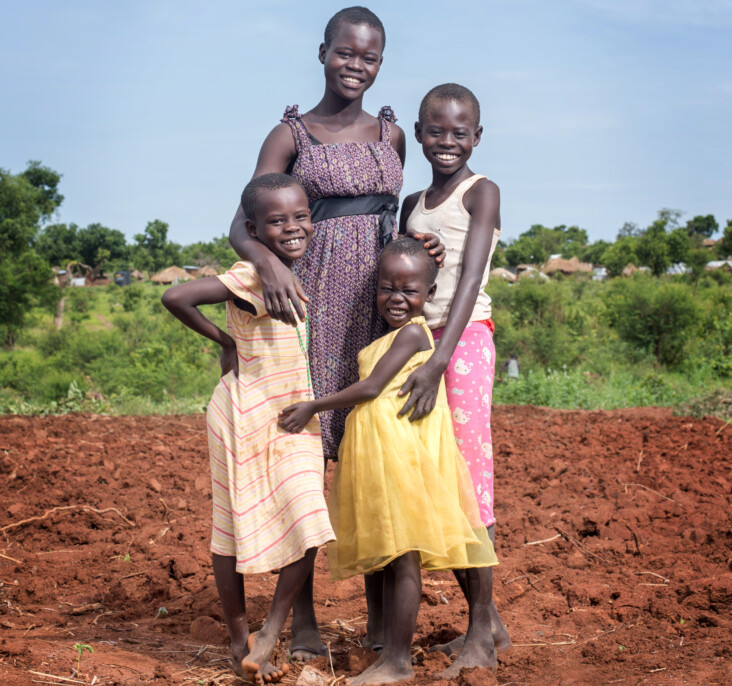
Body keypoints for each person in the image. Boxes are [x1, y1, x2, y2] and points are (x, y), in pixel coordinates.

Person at [227, 6, 442, 662]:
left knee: (372, 451)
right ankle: (306, 620)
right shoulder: (292, 134)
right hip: (312, 302)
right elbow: (242, 222)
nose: (357, 65)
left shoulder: (391, 133)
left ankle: (382, 622)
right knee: (306, 462)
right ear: (322, 53)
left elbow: (392, 212)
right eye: (345, 53)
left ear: (381, 64)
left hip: (376, 310)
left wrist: (418, 237)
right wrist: (267, 262)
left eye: (369, 57)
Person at [279, 237, 498, 684]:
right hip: (382, 456)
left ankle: (397, 662)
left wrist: (313, 407)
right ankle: (388, 651)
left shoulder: (416, 333)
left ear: (430, 295)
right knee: (394, 557)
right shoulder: (393, 334)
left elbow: (372, 387)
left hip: (398, 457)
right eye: (387, 288)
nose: (396, 299)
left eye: (409, 291)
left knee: (404, 559)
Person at [161, 174, 335, 685]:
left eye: (300, 216)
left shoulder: (296, 268)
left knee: (310, 518)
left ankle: (270, 631)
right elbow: (177, 297)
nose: (293, 227)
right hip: (242, 412)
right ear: (254, 229)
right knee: (231, 523)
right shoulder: (250, 274)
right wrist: (225, 341)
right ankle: (240, 637)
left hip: (294, 414)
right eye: (277, 221)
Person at [396, 83, 512, 662]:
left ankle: (478, 641)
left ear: (477, 137)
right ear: (419, 133)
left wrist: (441, 358)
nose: (447, 142)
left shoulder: (481, 192)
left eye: (459, 133)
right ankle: (489, 625)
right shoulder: (412, 200)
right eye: (435, 131)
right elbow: (404, 265)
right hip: (422, 342)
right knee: (439, 480)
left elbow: (470, 278)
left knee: (470, 481)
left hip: (463, 343)